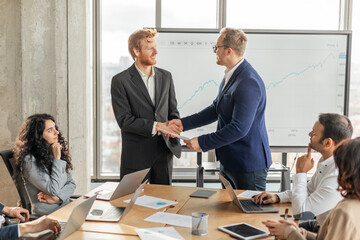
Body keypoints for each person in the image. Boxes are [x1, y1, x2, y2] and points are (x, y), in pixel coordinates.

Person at [168, 27, 271, 191]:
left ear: (229, 51)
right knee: (228, 214)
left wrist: (202, 142)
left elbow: (239, 128)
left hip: (248, 165)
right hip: (230, 161)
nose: (214, 51)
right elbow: (215, 109)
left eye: (216, 48)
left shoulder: (248, 82)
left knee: (249, 214)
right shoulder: (231, 76)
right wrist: (183, 124)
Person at [254, 113, 353, 231]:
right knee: (267, 227)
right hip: (320, 225)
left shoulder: (337, 175)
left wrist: (301, 172)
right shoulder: (328, 161)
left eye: (314, 133)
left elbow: (301, 212)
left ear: (328, 143)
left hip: (326, 233)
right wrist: (277, 197)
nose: (310, 134)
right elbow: (308, 191)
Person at [111, 29, 181, 185]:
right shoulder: (120, 81)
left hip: (164, 154)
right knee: (130, 204)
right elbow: (124, 120)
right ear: (136, 50)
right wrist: (158, 126)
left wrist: (173, 125)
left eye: (155, 47)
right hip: (136, 156)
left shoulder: (166, 76)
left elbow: (172, 112)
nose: (156, 51)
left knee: (163, 203)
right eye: (150, 48)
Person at [262, 137, 360, 240]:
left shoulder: (344, 211)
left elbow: (301, 212)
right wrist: (301, 233)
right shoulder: (353, 202)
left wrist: (290, 233)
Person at [14, 113, 76, 215]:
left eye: (55, 128)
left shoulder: (49, 151)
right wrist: (57, 159)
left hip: (64, 206)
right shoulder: (29, 160)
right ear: (38, 135)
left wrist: (57, 198)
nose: (56, 132)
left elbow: (71, 184)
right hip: (49, 214)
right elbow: (53, 189)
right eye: (50, 130)